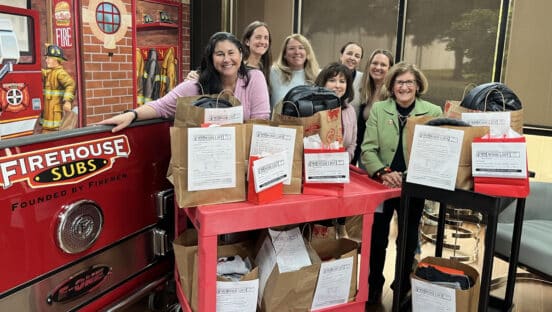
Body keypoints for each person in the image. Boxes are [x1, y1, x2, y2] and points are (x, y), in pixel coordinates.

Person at [360, 62, 442, 305]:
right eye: (399, 82)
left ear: (417, 86)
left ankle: (402, 285)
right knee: (377, 238)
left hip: (413, 185)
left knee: (407, 239)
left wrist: (409, 174)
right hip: (382, 186)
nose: (404, 87)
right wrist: (384, 172)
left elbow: (435, 152)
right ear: (392, 86)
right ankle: (374, 285)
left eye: (409, 82)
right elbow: (368, 149)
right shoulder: (379, 109)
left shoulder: (433, 111)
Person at [97, 32, 270, 132]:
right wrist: (132, 114)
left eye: (231, 53)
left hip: (243, 162)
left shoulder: (254, 78)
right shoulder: (196, 86)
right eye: (220, 54)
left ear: (240, 53)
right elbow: (161, 106)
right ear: (211, 58)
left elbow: (260, 122)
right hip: (206, 163)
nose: (227, 59)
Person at [314, 62, 357, 239]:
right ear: (323, 83)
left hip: (340, 173)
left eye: (342, 81)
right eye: (332, 80)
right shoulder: (313, 107)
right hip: (316, 175)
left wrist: (342, 161)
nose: (337, 85)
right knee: (320, 227)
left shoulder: (350, 110)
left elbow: (353, 143)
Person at [186, 21, 272, 83]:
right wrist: (195, 75)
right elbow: (209, 72)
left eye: (266, 38)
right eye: (258, 37)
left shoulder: (267, 69)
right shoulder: (234, 63)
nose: (262, 42)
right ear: (247, 41)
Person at [352, 49, 394, 168]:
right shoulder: (365, 91)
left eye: (383, 65)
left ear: (390, 69)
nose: (378, 67)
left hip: (384, 159)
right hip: (366, 155)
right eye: (374, 63)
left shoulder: (393, 93)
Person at [269, 33, 320, 110]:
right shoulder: (273, 72)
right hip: (279, 121)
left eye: (301, 48)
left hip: (309, 121)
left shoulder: (318, 75)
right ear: (284, 54)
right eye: (291, 48)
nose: (297, 52)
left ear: (308, 53)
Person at [40, 44, 76, 132]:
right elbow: (40, 72)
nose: (46, 60)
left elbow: (70, 85)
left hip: (55, 113)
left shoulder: (60, 73)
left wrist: (67, 101)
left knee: (55, 132)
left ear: (56, 60)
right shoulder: (49, 73)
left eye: (49, 58)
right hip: (48, 113)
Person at [338, 42, 364, 112]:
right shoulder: (329, 75)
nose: (352, 58)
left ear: (360, 60)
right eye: (349, 53)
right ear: (341, 56)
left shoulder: (363, 79)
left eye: (357, 56)